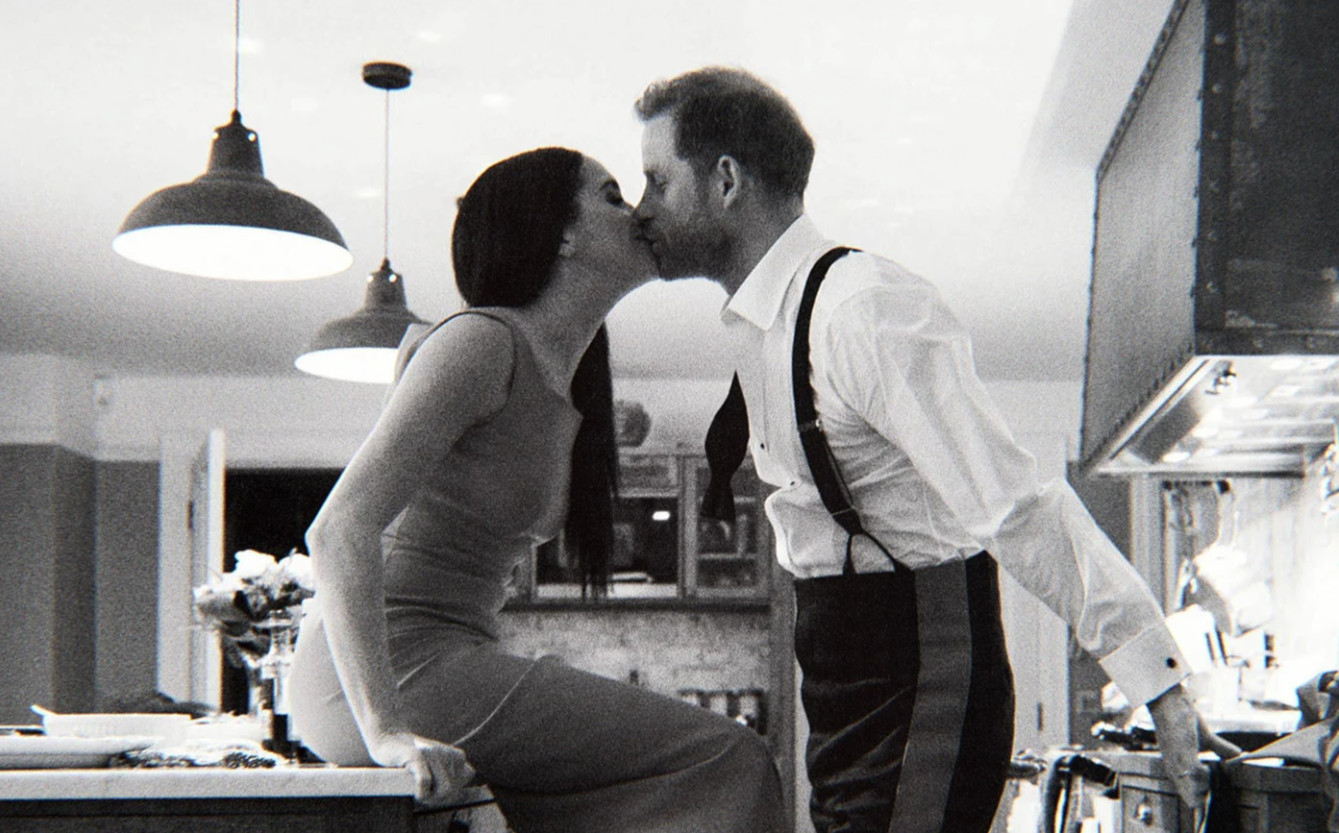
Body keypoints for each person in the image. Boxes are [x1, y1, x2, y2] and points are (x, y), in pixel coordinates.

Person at [630, 67, 1239, 833]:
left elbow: (1017, 505)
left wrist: (1161, 685)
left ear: (725, 180)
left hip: (925, 673)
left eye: (656, 181)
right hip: (839, 681)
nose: (642, 208)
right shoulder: (761, 325)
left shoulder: (862, 309)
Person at [288, 146, 786, 833]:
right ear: (561, 234)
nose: (639, 212)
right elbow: (338, 527)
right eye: (612, 196)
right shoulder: (482, 342)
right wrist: (386, 731)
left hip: (439, 660)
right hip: (383, 677)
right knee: (729, 757)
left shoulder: (568, 381)